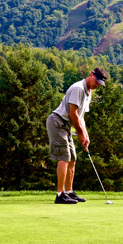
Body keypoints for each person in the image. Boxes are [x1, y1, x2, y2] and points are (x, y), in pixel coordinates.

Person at [46, 67, 107, 204]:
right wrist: (80, 133)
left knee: (73, 157)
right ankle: (60, 194)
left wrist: (86, 135)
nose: (97, 85)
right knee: (65, 157)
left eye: (99, 84)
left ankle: (69, 192)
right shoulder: (78, 88)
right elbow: (72, 114)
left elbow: (81, 116)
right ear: (91, 75)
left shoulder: (88, 93)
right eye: (96, 82)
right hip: (57, 122)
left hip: (65, 126)